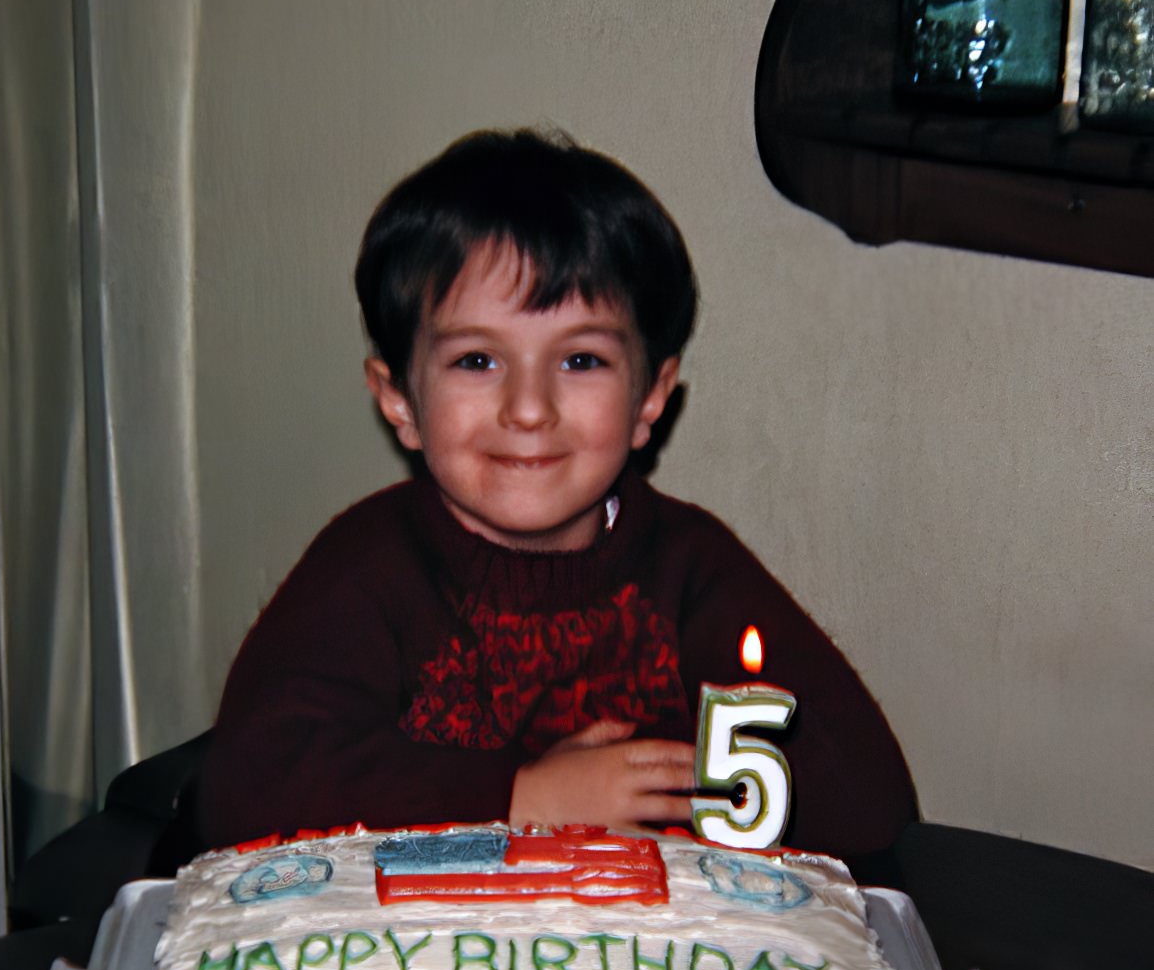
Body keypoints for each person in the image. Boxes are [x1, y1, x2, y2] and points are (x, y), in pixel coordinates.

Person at [194, 128, 916, 868]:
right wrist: (522, 798)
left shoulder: (689, 569)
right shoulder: (369, 569)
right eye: (477, 360)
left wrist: (667, 790)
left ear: (650, 398)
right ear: (399, 400)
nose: (529, 408)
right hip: (423, 964)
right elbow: (244, 788)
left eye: (580, 359)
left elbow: (871, 801)